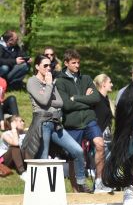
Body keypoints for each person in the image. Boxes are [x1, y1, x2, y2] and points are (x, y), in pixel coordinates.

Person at [22, 55, 91, 192]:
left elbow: (60, 102)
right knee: (43, 158)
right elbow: (42, 102)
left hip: (56, 124)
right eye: (45, 65)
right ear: (37, 67)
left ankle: (81, 182)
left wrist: (47, 95)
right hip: (43, 123)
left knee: (77, 150)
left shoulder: (50, 82)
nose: (49, 68)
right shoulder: (32, 82)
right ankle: (43, 192)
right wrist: (48, 86)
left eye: (50, 66)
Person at [55, 49, 112, 193]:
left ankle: (99, 182)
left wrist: (76, 98)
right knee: (75, 156)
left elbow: (96, 99)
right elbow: (66, 105)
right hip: (72, 123)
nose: (77, 65)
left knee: (100, 144)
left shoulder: (86, 79)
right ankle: (76, 190)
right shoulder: (60, 82)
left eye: (78, 62)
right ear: (66, 63)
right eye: (73, 63)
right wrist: (86, 100)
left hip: (89, 119)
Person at [0, 115, 27, 181]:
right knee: (14, 147)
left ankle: (32, 167)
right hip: (6, 161)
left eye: (23, 121)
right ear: (13, 123)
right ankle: (22, 172)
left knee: (27, 148)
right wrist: (14, 129)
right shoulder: (6, 134)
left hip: (18, 159)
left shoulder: (24, 133)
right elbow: (15, 143)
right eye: (20, 121)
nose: (23, 123)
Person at [93, 73, 114, 154]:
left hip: (107, 137)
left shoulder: (107, 100)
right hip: (98, 137)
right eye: (110, 82)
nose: (112, 84)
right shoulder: (96, 99)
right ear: (103, 84)